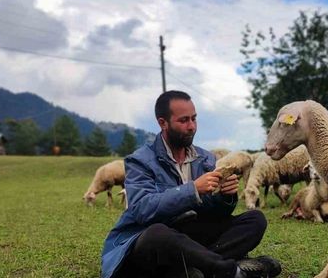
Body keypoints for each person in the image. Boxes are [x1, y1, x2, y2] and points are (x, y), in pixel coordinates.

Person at [101, 90, 282, 278]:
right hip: (154, 238)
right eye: (184, 120)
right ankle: (230, 270)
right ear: (163, 123)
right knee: (158, 234)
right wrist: (193, 189)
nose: (192, 126)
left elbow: (213, 213)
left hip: (190, 235)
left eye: (194, 119)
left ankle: (195, 269)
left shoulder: (205, 158)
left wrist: (225, 197)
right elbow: (142, 209)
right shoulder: (139, 161)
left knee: (255, 220)